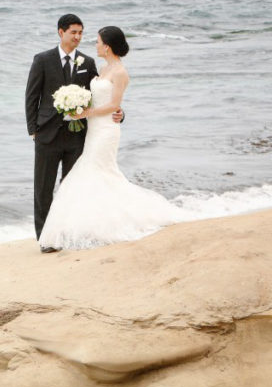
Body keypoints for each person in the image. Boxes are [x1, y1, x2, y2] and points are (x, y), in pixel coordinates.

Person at [37, 26, 186, 252]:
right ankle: (92, 226)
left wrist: (87, 113)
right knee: (96, 175)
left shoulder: (120, 72)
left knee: (95, 173)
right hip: (93, 130)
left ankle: (100, 225)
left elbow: (115, 105)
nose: (94, 45)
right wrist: (79, 106)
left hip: (106, 131)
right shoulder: (103, 68)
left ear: (107, 46)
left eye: (97, 41)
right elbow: (95, 97)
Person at [25, 14, 123, 253]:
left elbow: (103, 95)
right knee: (43, 189)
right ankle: (45, 239)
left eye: (81, 33)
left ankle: (68, 233)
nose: (78, 37)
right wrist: (33, 131)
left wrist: (120, 113)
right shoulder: (42, 60)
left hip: (77, 136)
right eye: (73, 33)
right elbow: (32, 96)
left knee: (71, 188)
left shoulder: (87, 62)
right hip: (47, 135)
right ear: (61, 32)